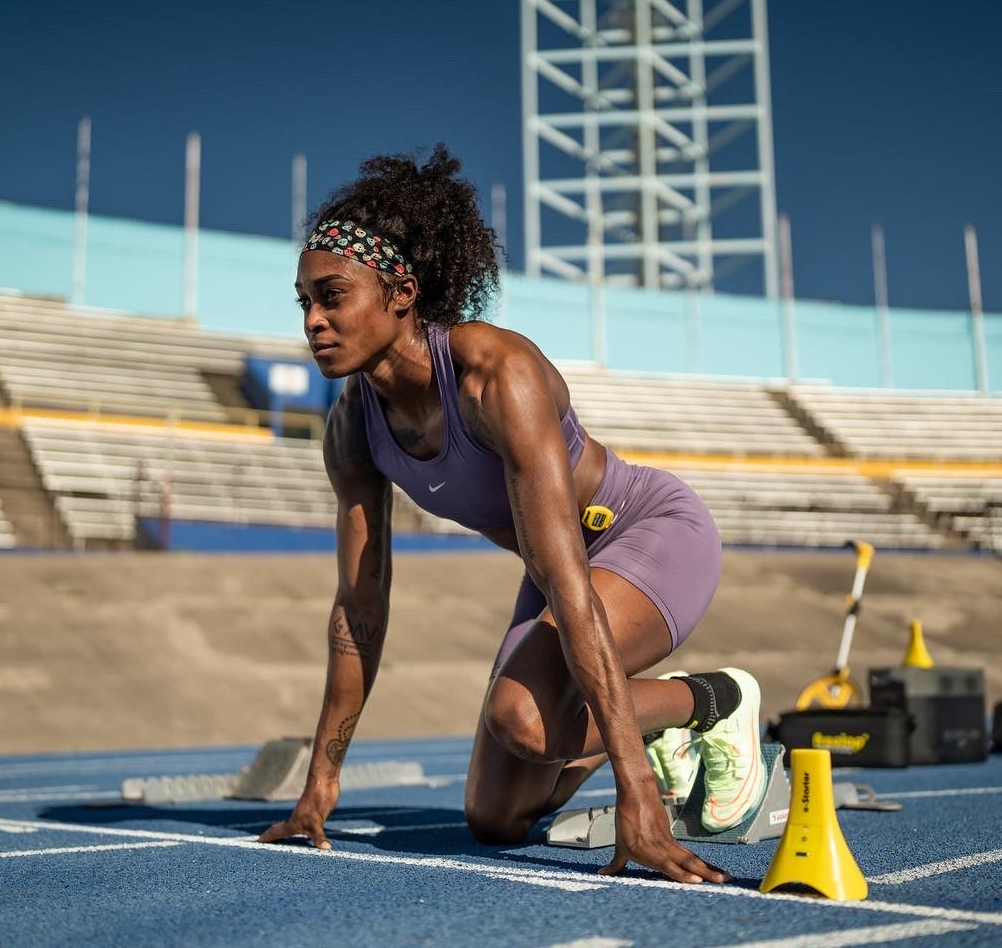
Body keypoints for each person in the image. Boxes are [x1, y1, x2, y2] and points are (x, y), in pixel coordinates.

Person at [258, 146, 765, 884]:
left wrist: (637, 799)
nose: (314, 321)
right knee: (495, 819)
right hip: (557, 566)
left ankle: (712, 703)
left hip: (645, 534)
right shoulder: (352, 430)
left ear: (401, 291)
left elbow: (566, 579)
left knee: (521, 720)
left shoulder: (496, 376)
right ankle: (651, 733)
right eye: (303, 302)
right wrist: (322, 782)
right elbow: (359, 609)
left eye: (332, 296)